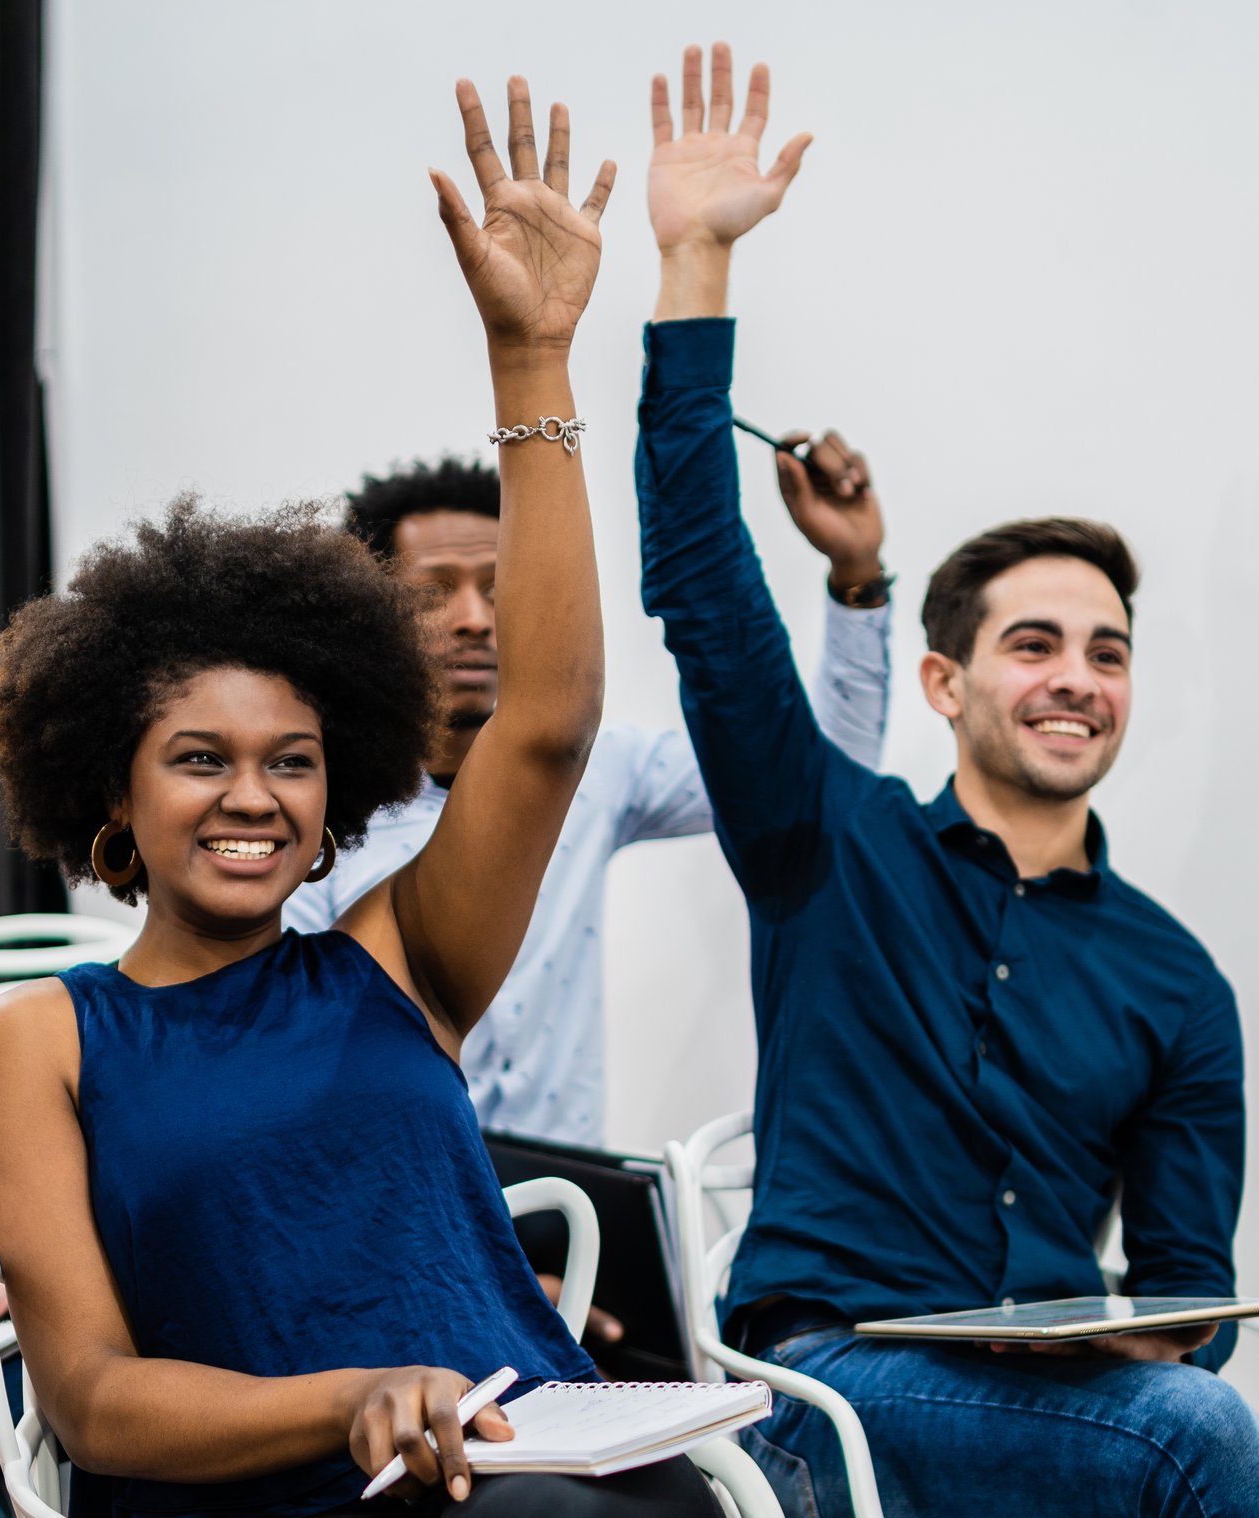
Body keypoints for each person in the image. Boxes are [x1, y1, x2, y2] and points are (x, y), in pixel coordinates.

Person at [0, 78, 719, 1517]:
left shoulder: (394, 960)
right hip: (288, 1491)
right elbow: (97, 1399)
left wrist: (533, 362)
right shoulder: (35, 1042)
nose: (255, 796)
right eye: (201, 757)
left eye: (292, 759)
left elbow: (547, 724)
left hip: (532, 1461)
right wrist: (358, 1400)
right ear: (110, 782)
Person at [634, 43, 1256, 1518]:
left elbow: (1188, 1294)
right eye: (1032, 643)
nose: (1075, 677)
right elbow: (708, 598)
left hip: (1053, 1398)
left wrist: (1157, 1324)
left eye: (1105, 651)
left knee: (1190, 1412)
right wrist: (694, 267)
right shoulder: (824, 842)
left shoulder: (1176, 980)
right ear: (944, 682)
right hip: (822, 1383)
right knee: (1198, 1445)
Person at [284, 447, 891, 1147]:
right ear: (369, 616)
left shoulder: (596, 771)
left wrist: (857, 579)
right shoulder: (315, 797)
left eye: (498, 584)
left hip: (570, 1202)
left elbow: (813, 778)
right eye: (433, 592)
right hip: (388, 1192)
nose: (475, 617)